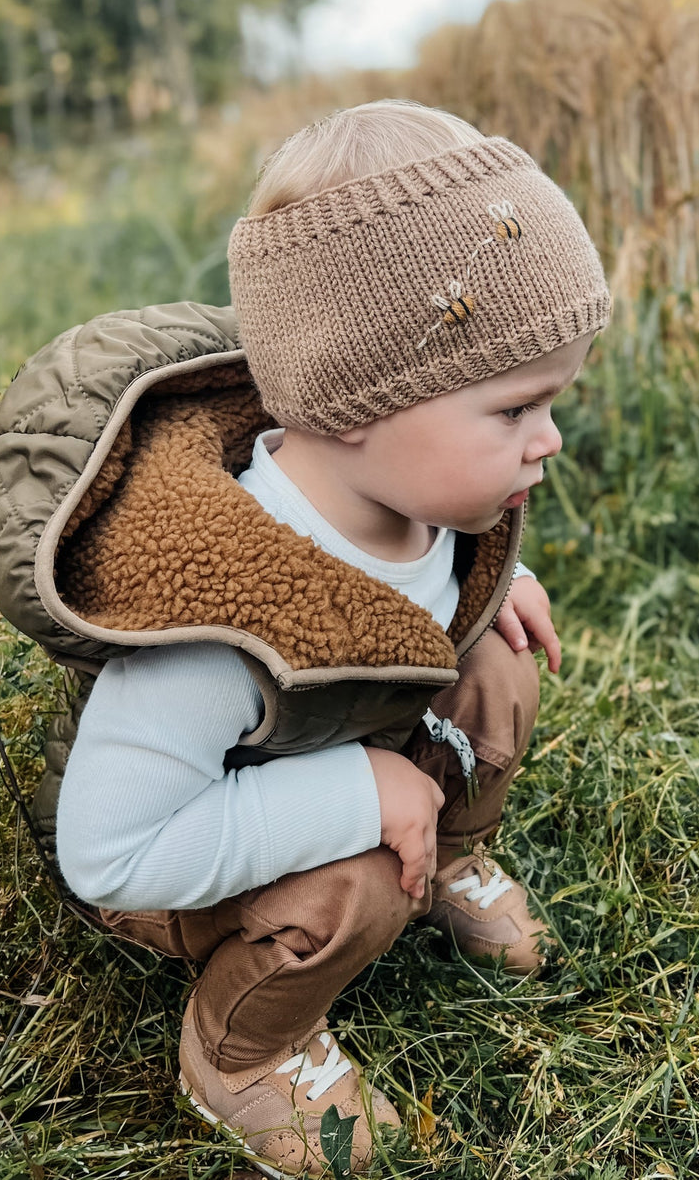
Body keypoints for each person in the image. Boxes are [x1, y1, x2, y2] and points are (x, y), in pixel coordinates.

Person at [48, 100, 611, 1176]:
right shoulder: (215, 617)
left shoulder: (402, 497)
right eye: (513, 411)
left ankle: (446, 855)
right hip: (186, 857)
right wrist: (360, 795)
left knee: (493, 663)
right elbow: (109, 851)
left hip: (342, 754)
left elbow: (420, 572)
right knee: (346, 879)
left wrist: (502, 578)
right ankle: (244, 1052)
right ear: (355, 402)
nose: (548, 441)